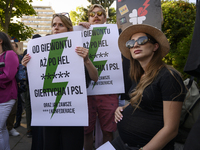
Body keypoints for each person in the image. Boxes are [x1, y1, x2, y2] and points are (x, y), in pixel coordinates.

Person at [22, 13, 98, 150]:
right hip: (50, 112)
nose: (56, 28)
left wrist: (86, 60)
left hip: (72, 112)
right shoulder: (41, 52)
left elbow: (95, 77)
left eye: (60, 25)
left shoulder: (79, 49)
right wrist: (29, 67)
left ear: (69, 30)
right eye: (54, 25)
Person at [112, 24, 186, 150]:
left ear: (155, 46)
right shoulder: (140, 76)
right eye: (131, 43)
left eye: (142, 40)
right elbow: (146, 102)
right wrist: (123, 108)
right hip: (123, 143)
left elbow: (171, 129)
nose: (135, 45)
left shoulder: (168, 76)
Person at [79, 4, 119, 150]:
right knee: (86, 131)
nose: (96, 16)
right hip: (86, 92)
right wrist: (76, 30)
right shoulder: (79, 32)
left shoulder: (115, 33)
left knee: (108, 131)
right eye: (92, 14)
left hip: (109, 90)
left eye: (100, 13)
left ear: (105, 18)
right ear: (88, 17)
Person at [0, 31, 19, 150]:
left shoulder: (10, 54)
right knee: (1, 129)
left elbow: (8, 75)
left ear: (0, 40)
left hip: (7, 97)